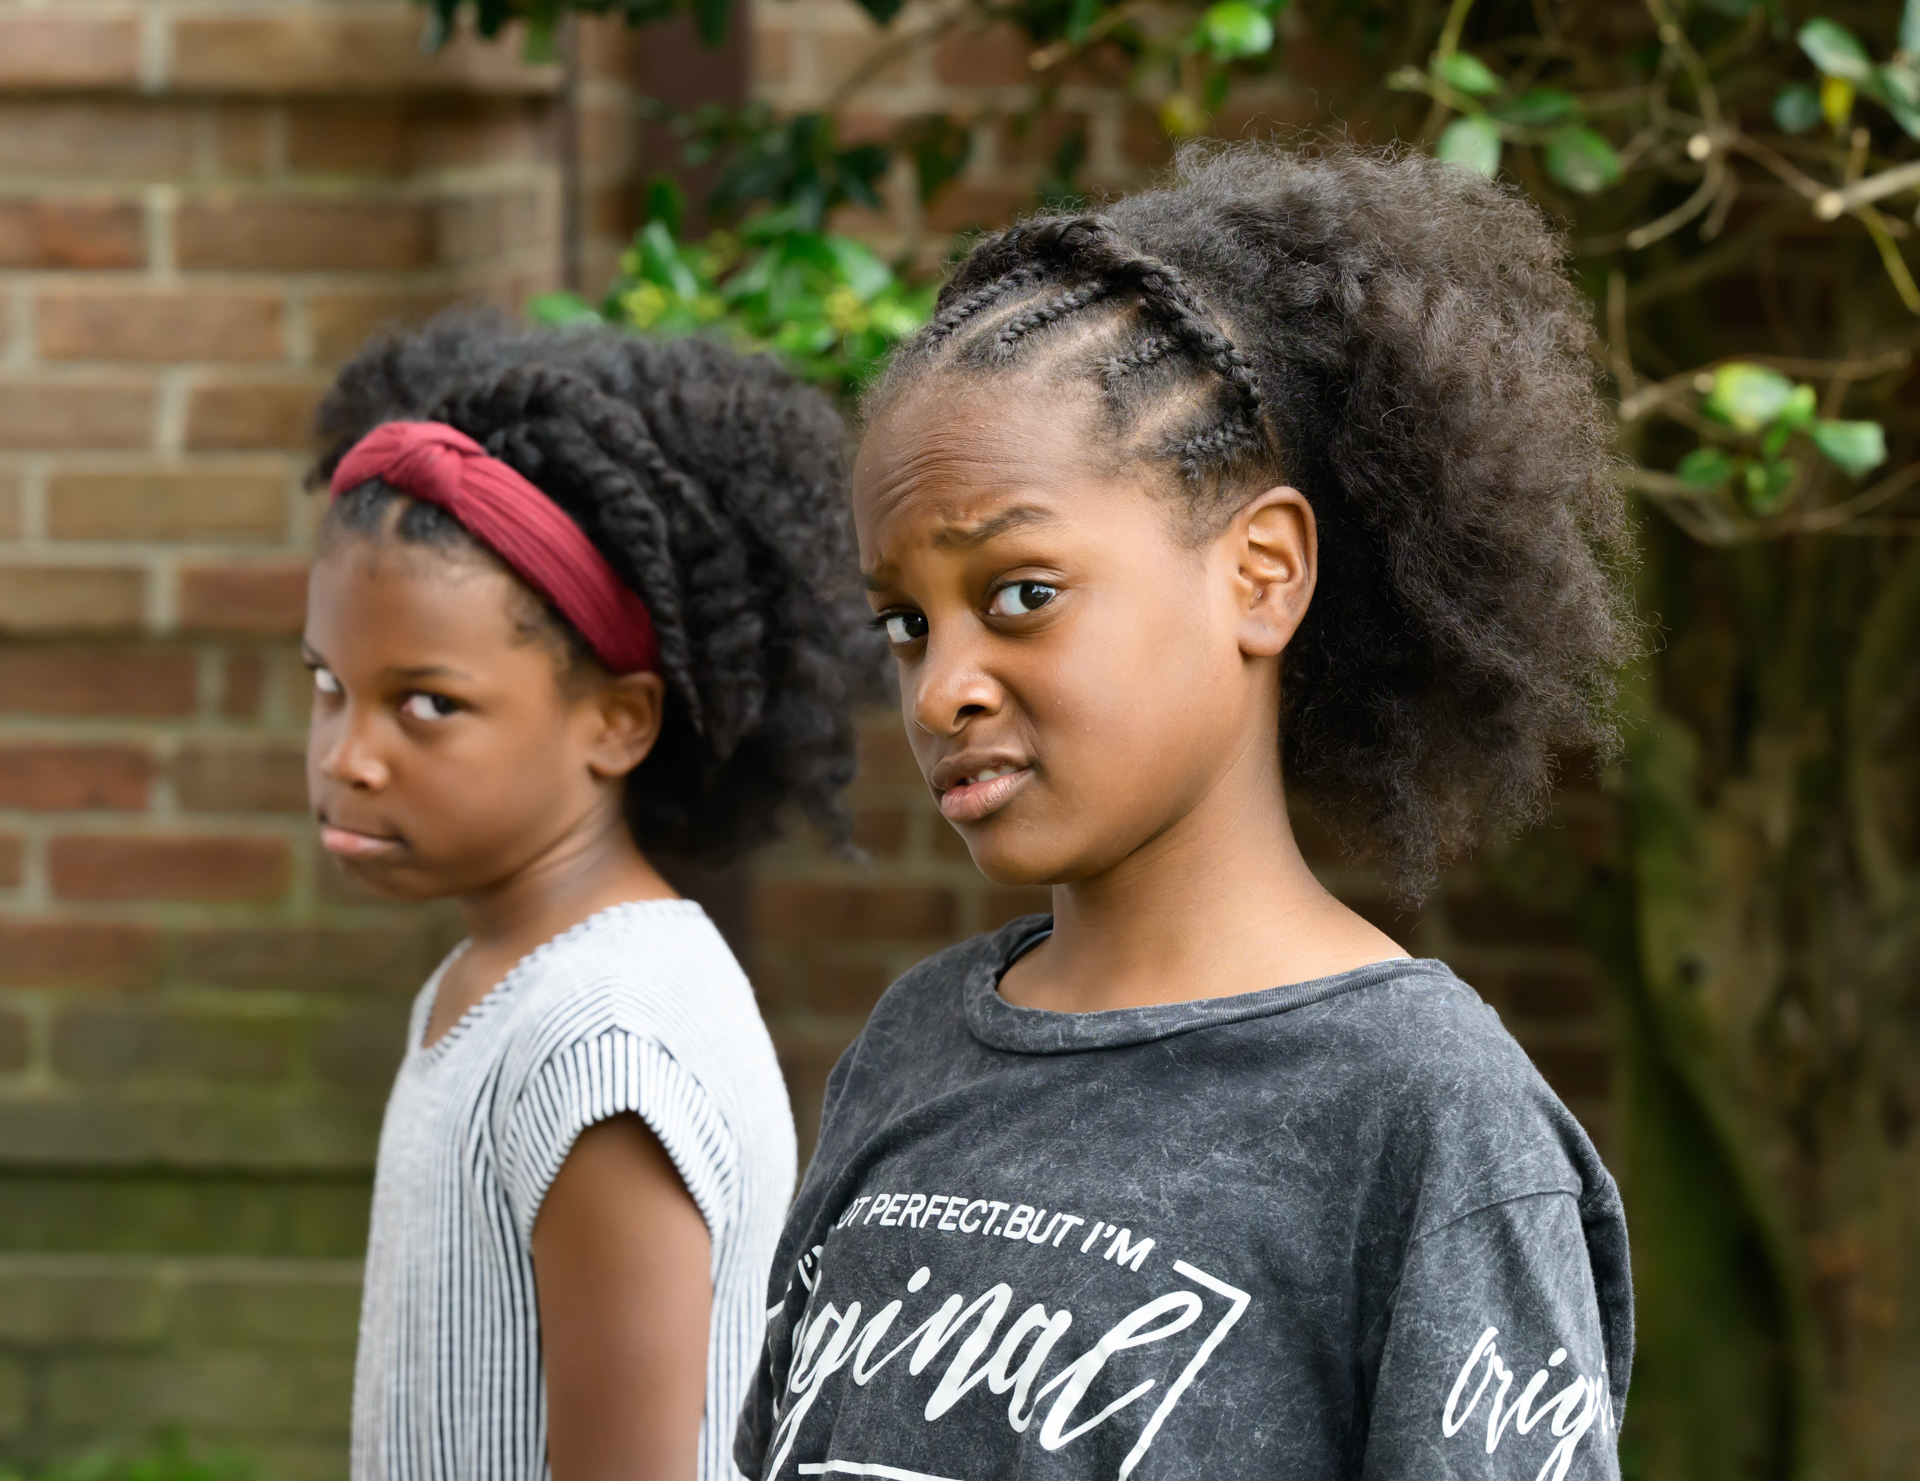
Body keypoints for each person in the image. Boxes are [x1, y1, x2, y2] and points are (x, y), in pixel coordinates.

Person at [735, 142, 1638, 1481]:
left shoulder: (1426, 1115)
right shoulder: (910, 1047)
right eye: (906, 622)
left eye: (1022, 594)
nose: (940, 688)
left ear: (1261, 575)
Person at [305, 312, 871, 1481]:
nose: (346, 756)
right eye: (328, 684)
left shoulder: (605, 1045)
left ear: (616, 720)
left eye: (427, 703)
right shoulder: (500, 980)